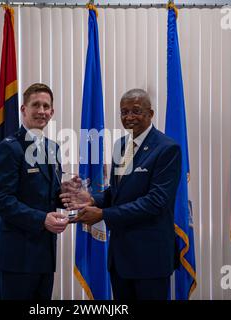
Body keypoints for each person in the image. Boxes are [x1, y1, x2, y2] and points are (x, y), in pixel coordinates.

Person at [62, 88, 182, 300]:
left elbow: (155, 202)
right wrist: (91, 199)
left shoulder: (167, 149)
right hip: (120, 258)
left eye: (136, 111)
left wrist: (103, 215)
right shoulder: (121, 145)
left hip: (150, 259)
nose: (129, 117)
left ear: (151, 113)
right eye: (124, 112)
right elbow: (118, 192)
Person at [0, 83, 69, 300]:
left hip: (45, 255)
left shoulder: (53, 148)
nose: (41, 111)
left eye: (46, 106)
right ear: (24, 109)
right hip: (17, 257)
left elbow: (44, 194)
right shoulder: (10, 147)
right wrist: (42, 219)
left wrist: (67, 193)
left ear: (52, 112)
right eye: (36, 105)